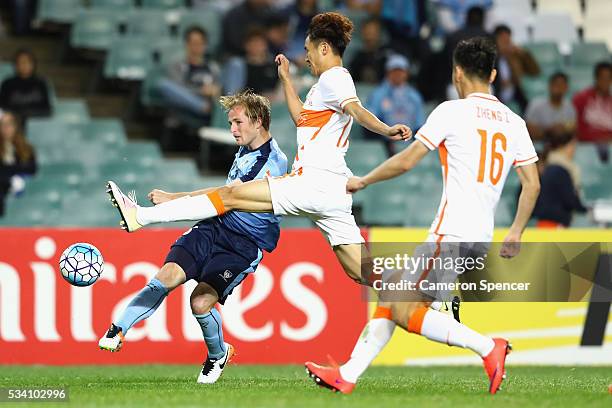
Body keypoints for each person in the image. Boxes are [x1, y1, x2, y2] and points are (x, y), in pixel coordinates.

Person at [106, 12, 411, 296]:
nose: (305, 57)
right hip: (333, 190)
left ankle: (141, 216)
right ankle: (432, 297)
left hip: (314, 182)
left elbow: (355, 110)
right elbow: (303, 118)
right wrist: (287, 81)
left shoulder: (335, 78)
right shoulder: (324, 87)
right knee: (361, 271)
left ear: (324, 48)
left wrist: (386, 129)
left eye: (307, 49)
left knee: (230, 197)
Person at [305, 37, 540, 395]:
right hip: (480, 235)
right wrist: (517, 231)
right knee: (395, 296)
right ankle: (348, 374)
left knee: (402, 309)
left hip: (450, 232)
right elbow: (532, 184)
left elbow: (407, 160)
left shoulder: (451, 111)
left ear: (457, 72)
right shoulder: (515, 121)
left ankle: (487, 346)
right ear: (493, 73)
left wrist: (364, 180)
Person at [99, 91, 288, 385]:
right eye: (230, 123)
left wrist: (175, 198)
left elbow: (223, 197)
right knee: (167, 275)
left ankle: (217, 354)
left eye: (237, 122)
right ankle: (118, 328)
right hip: (216, 227)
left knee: (200, 303)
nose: (232, 130)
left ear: (258, 121)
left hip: (243, 244)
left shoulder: (269, 163)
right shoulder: (248, 149)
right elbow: (222, 196)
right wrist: (176, 198)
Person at [156, 26, 221, 128]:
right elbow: (178, 91)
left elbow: (219, 90)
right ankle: (203, 107)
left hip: (209, 104)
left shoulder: (213, 67)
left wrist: (214, 90)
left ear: (205, 45)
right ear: (187, 44)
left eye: (200, 43)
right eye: (193, 43)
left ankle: (212, 111)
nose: (196, 47)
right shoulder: (177, 65)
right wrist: (200, 91)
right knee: (164, 85)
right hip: (188, 105)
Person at [365, 54, 424, 155]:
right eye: (394, 71)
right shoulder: (378, 94)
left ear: (406, 73)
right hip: (385, 144)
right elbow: (371, 121)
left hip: (409, 142)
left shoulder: (414, 96)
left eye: (401, 71)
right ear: (388, 73)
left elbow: (419, 124)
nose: (398, 74)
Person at [533, 134, 587, 228]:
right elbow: (569, 199)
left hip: (545, 222)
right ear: (564, 147)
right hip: (553, 224)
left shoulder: (550, 167)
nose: (574, 150)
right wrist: (584, 209)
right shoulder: (559, 170)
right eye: (572, 146)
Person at [492, 25, 539, 114]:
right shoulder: (490, 57)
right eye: (502, 40)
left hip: (515, 93)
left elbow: (535, 71)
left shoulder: (514, 56)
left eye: (508, 40)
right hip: (496, 94)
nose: (506, 44)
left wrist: (523, 54)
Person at [223, 28, 280, 99]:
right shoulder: (238, 65)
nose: (256, 46)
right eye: (253, 42)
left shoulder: (274, 65)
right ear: (246, 45)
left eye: (259, 43)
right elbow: (232, 94)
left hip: (274, 105)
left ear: (265, 45)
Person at [572, 61, 611, 162]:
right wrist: (596, 138)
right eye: (602, 78)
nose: (605, 82)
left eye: (609, 78)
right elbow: (574, 126)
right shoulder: (581, 98)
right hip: (587, 145)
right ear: (596, 78)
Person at [0, 111, 36, 216]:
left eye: (9, 124)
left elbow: (32, 169)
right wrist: (11, 178)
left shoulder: (26, 148)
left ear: (15, 126)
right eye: (3, 125)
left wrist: (17, 175)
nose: (6, 128)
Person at [0, 48, 51, 118]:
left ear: (33, 64)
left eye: (27, 62)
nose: (24, 65)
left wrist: (28, 113)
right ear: (16, 65)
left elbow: (47, 109)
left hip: (36, 121)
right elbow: (2, 108)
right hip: (13, 122)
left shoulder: (41, 83)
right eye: (21, 62)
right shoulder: (7, 83)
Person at [526, 72, 576, 142]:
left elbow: (572, 130)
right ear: (550, 86)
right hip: (538, 146)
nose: (559, 88)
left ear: (566, 88)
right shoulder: (535, 105)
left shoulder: (570, 107)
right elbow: (529, 131)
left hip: (560, 147)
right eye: (556, 85)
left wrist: (563, 129)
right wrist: (549, 130)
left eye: (562, 85)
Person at [348, 17, 391, 84]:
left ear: (379, 33)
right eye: (368, 31)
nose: (370, 36)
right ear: (363, 32)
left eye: (373, 32)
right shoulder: (357, 57)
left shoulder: (386, 56)